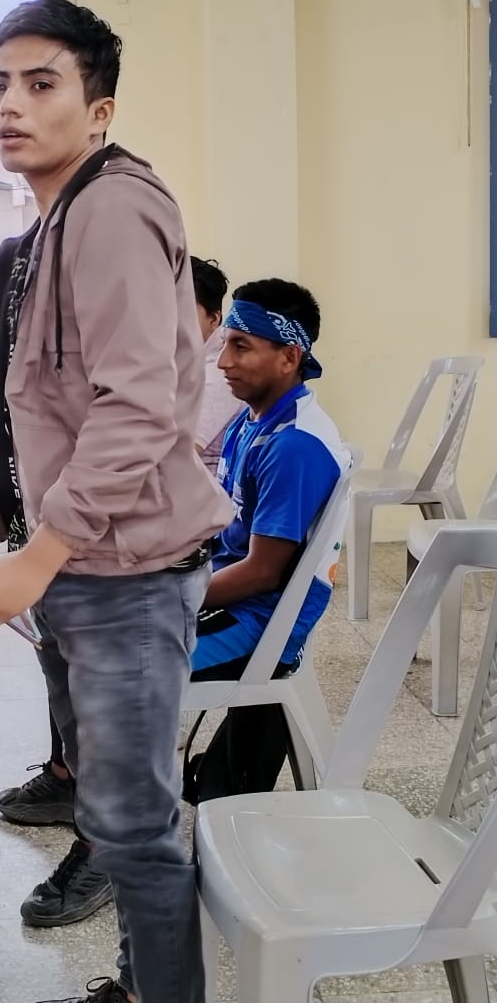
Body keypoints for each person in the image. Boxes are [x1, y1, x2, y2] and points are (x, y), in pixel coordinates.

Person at [0, 0, 233, 1003]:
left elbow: (139, 404)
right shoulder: (57, 218)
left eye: (42, 84)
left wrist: (38, 552)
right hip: (88, 565)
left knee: (134, 829)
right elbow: (52, 399)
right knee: (109, 814)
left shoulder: (110, 208)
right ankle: (137, 984)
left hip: (125, 576)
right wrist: (5, 511)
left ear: (99, 110)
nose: (10, 105)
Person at [0, 255, 243, 931]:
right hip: (92, 554)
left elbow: (122, 454)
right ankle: (79, 794)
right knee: (70, 689)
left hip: (151, 566)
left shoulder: (195, 376)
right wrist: (3, 511)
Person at [186, 277, 349, 800]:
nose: (223, 362)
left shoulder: (292, 446)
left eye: (241, 346)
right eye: (225, 344)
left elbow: (261, 573)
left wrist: (169, 595)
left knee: (119, 669)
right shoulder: (251, 422)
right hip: (234, 595)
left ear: (289, 357)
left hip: (258, 621)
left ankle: (115, 824)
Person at [191, 256, 243, 474]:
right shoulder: (182, 360)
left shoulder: (219, 373)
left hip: (201, 488)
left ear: (213, 319)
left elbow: (176, 458)